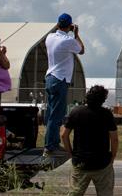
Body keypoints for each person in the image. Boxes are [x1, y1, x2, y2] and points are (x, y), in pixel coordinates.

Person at [61, 85, 118, 196]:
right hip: (102, 163)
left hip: (80, 162)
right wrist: (112, 157)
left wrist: (71, 154)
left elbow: (64, 135)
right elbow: (114, 139)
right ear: (103, 99)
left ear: (87, 96)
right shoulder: (106, 114)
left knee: (75, 193)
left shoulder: (76, 112)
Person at [43, 12, 85, 158]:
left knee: (50, 113)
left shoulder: (49, 37)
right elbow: (82, 49)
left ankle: (50, 143)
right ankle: (50, 147)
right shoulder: (68, 41)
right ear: (70, 25)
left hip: (50, 77)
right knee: (57, 115)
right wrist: (76, 34)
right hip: (60, 79)